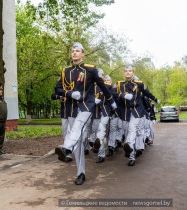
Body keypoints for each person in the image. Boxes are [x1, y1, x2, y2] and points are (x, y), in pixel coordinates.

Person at [54, 42, 116, 185]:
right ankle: (79, 169)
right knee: (79, 140)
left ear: (83, 54)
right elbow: (57, 89)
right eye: (73, 51)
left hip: (86, 107)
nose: (74, 53)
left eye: (77, 51)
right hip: (71, 108)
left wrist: (111, 100)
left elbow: (103, 86)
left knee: (76, 130)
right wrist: (69, 93)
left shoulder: (90, 70)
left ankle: (67, 149)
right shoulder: (65, 71)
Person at [116, 65, 159, 166]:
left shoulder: (139, 83)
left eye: (130, 71)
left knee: (132, 129)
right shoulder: (119, 84)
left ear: (133, 73)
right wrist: (122, 95)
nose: (128, 73)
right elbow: (111, 93)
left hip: (137, 111)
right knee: (127, 133)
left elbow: (146, 93)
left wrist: (155, 99)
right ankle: (131, 149)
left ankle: (132, 157)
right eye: (126, 71)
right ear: (123, 73)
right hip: (125, 112)